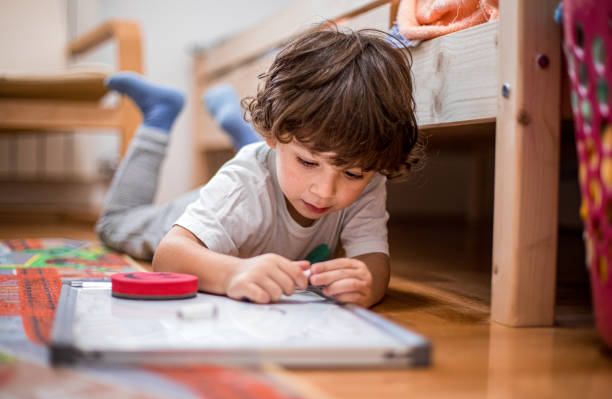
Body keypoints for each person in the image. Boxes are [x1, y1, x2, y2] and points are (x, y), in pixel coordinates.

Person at [96, 27, 422, 308]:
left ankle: (243, 136)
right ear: (274, 135)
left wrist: (367, 283)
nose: (325, 191)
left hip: (251, 199)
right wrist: (233, 273)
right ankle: (158, 116)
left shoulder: (369, 173)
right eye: (308, 162)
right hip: (202, 213)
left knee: (268, 179)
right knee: (114, 223)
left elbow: (375, 261)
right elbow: (169, 255)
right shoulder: (242, 187)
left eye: (351, 173)